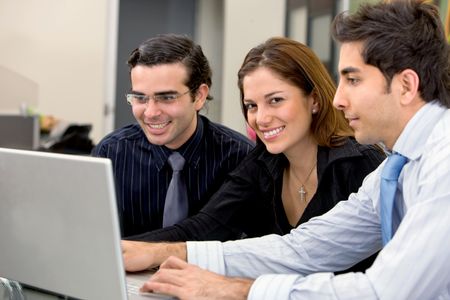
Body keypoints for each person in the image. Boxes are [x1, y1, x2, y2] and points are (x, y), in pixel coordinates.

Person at [125, 1, 450, 299]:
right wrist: (172, 253)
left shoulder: (442, 162)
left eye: (353, 80)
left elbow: (383, 292)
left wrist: (238, 291)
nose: (339, 99)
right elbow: (306, 248)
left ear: (406, 86)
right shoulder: (395, 169)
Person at [122, 37, 385, 272]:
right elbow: (206, 227)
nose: (261, 118)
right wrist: (120, 249)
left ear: (314, 100)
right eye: (251, 105)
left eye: (275, 100)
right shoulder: (262, 163)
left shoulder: (360, 164)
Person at [92, 34, 254, 237]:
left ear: (199, 96)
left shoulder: (240, 157)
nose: (150, 112)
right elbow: (92, 236)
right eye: (140, 97)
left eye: (167, 97)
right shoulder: (111, 153)